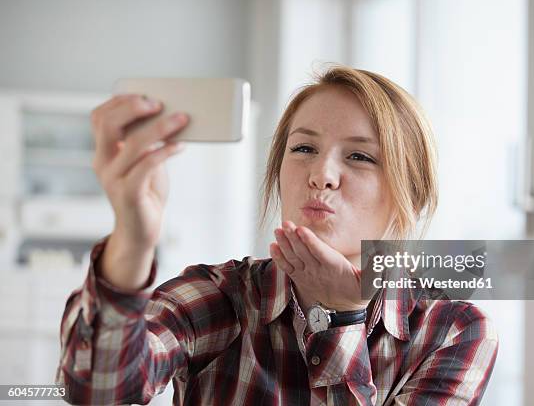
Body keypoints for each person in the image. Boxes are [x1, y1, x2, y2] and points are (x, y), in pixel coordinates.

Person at [56, 66, 498, 405]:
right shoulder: (218, 297)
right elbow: (97, 390)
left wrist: (342, 315)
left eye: (360, 156)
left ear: (412, 194)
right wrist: (133, 239)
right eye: (303, 148)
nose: (321, 175)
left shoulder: (453, 329)